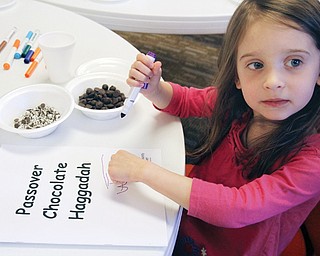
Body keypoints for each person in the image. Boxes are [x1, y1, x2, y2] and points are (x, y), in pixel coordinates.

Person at [108, 0, 320, 254]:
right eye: (256, 65)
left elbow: (238, 208)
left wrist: (143, 171)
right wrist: (154, 88)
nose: (273, 82)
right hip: (186, 217)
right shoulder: (239, 102)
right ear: (236, 76)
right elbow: (184, 100)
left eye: (294, 62)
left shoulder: (313, 160)